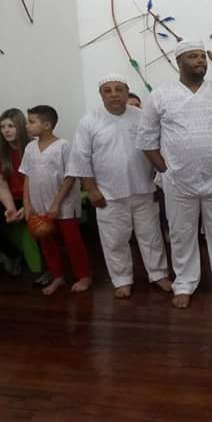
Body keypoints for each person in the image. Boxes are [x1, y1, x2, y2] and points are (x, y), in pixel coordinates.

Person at [137, 40, 212, 309]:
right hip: (178, 179)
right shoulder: (160, 95)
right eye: (193, 56)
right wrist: (164, 168)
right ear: (179, 62)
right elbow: (146, 138)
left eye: (202, 56)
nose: (200, 60)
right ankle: (185, 282)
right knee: (181, 232)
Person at [67, 74, 171, 298]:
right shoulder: (89, 121)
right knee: (114, 240)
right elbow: (80, 158)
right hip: (108, 193)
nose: (114, 94)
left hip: (144, 188)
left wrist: (158, 184)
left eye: (119, 89)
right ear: (101, 94)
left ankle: (158, 274)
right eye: (108, 90)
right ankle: (122, 280)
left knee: (152, 236)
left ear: (126, 91)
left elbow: (158, 149)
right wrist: (91, 189)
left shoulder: (142, 117)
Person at [20, 105, 91, 295]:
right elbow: (27, 176)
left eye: (31, 122)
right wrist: (27, 204)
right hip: (38, 205)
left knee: (72, 241)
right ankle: (57, 276)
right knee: (46, 242)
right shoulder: (30, 148)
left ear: (47, 125)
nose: (27, 125)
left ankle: (83, 276)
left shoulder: (64, 146)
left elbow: (70, 177)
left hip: (63, 205)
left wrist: (56, 204)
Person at [0, 109, 30, 276]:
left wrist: (28, 206)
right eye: (2, 126)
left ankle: (46, 269)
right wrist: (11, 209)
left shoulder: (32, 147)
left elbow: (41, 183)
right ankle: (15, 255)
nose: (6, 130)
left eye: (11, 126)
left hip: (34, 197)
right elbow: (1, 186)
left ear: (21, 126)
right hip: (12, 198)